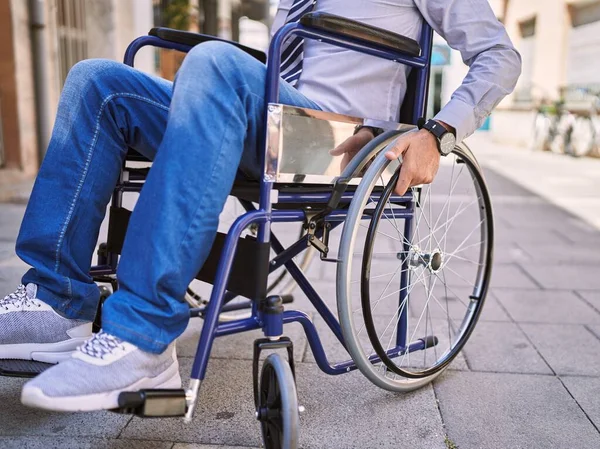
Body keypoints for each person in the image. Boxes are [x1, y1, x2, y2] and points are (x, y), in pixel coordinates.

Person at [1, 0, 521, 412]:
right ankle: (58, 302)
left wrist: (439, 131)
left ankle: (143, 336)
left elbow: (500, 56)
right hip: (267, 122)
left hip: (336, 141)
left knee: (217, 64)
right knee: (98, 82)